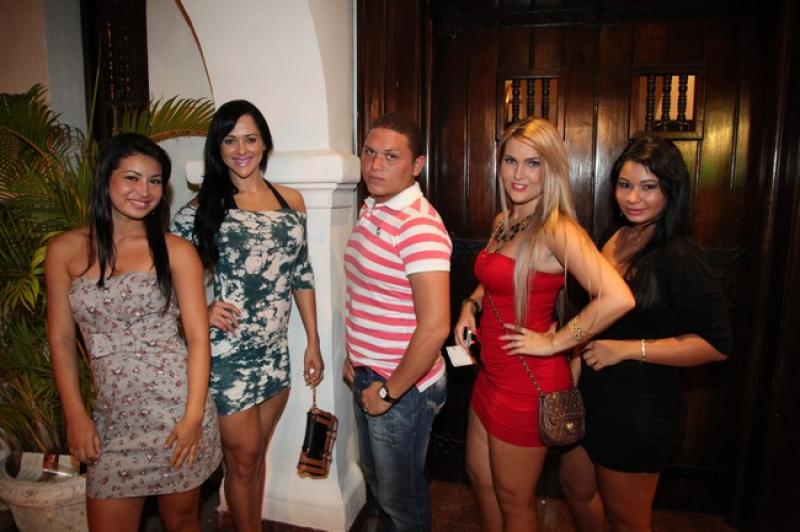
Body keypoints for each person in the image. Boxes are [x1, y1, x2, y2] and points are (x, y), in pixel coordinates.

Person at [453, 117, 635, 532]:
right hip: (491, 374)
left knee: (514, 499)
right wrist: (470, 304)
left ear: (550, 168)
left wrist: (556, 342)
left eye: (533, 163)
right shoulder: (504, 221)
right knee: (481, 481)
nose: (518, 174)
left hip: (527, 383)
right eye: (510, 161)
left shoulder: (557, 229)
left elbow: (618, 297)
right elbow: (494, 277)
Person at [45, 133, 222, 532]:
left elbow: (198, 339)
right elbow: (60, 340)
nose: (144, 191)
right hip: (112, 419)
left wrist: (193, 417)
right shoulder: (65, 250)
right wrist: (75, 415)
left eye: (155, 181)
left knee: (181, 522)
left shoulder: (176, 251)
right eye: (132, 177)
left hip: (175, 412)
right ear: (105, 178)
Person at [558, 134, 733, 532]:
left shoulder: (680, 255)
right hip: (591, 394)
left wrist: (627, 349)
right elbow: (594, 309)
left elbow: (717, 345)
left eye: (648, 187)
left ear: (671, 191)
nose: (633, 198)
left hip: (638, 407)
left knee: (627, 519)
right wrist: (576, 354)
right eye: (625, 185)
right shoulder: (612, 236)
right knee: (575, 488)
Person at [171, 100, 324, 532]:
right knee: (242, 459)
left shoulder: (290, 201)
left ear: (264, 144)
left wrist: (312, 340)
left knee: (256, 457)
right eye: (230, 140)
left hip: (276, 353)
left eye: (250, 139)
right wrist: (200, 310)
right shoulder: (200, 210)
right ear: (217, 148)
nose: (241, 149)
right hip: (227, 355)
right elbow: (166, 280)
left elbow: (301, 272)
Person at [343, 113, 451, 531]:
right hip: (372, 372)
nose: (375, 165)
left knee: (400, 501)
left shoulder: (418, 226)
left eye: (391, 156)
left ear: (417, 165)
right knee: (380, 486)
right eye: (369, 152)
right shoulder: (374, 207)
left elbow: (435, 326)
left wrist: (389, 391)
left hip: (403, 385)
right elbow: (369, 294)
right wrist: (356, 356)